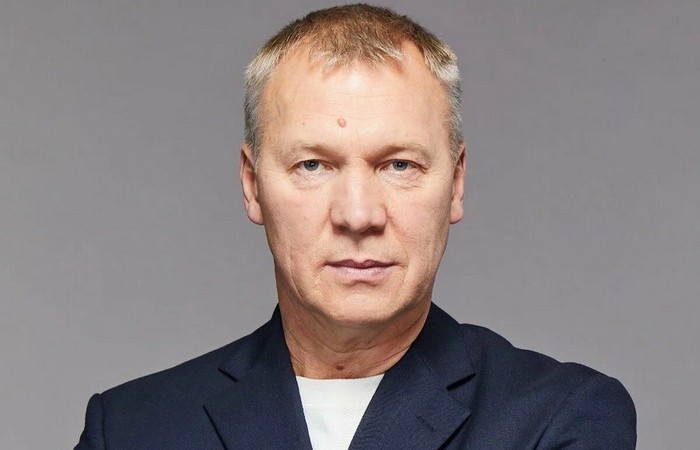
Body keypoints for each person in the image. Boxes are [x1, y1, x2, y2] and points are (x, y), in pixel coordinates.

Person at [75, 4, 636, 449]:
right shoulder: (129, 429)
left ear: (456, 183)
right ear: (252, 184)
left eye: (399, 165)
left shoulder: (561, 417)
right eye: (313, 165)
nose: (359, 216)